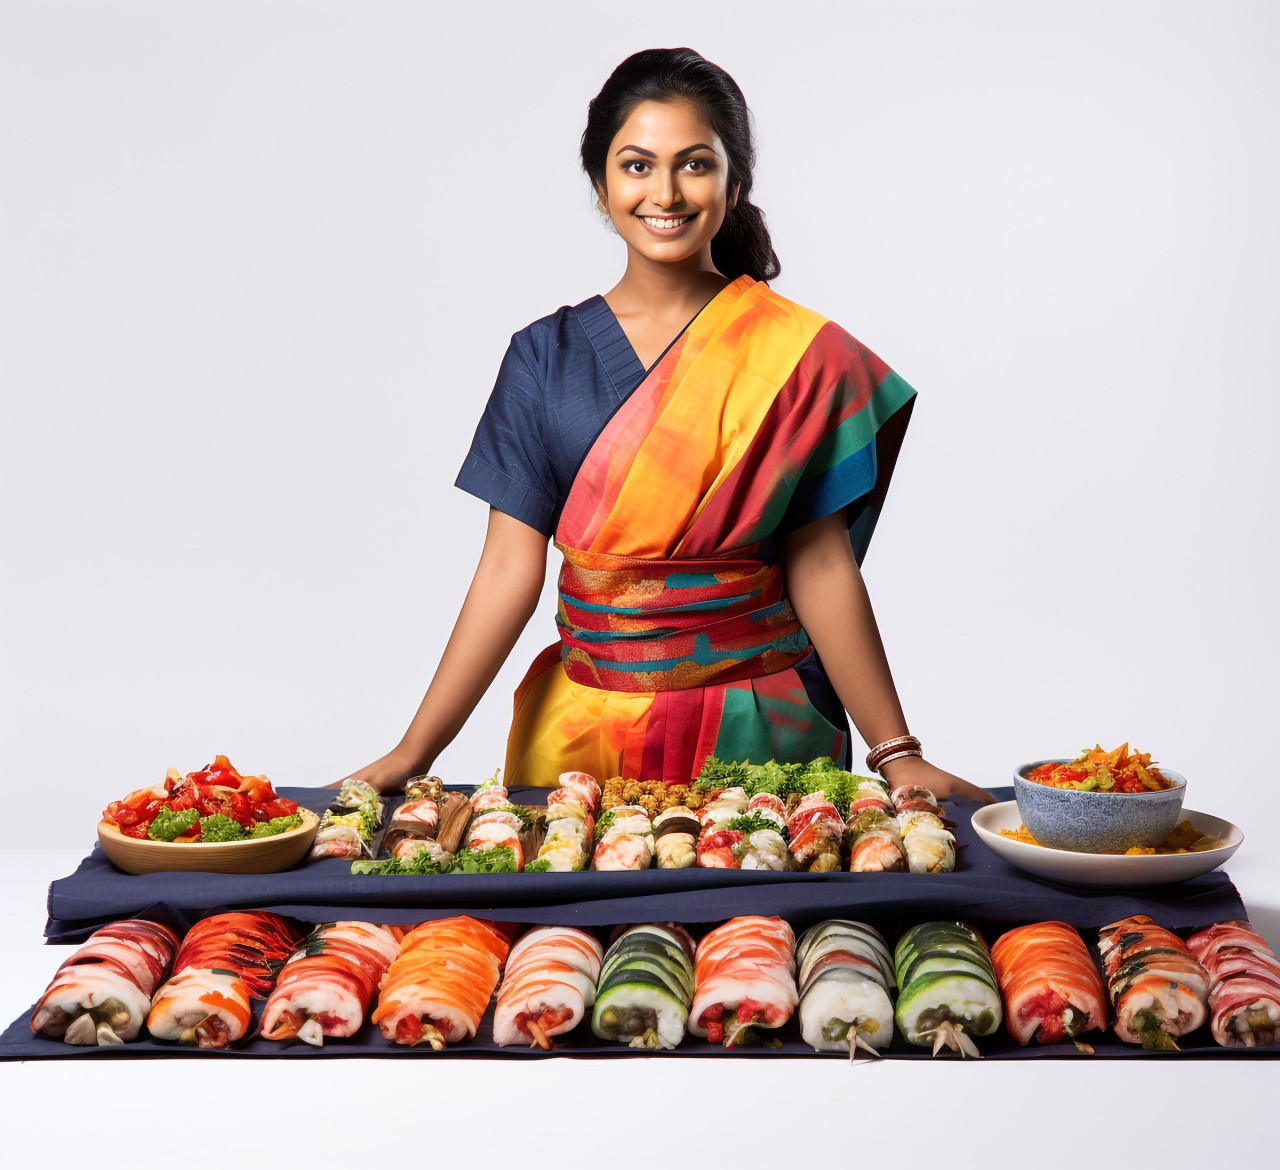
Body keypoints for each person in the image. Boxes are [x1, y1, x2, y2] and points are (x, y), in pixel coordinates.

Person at [342, 47, 992, 804]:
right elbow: (507, 570)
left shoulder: (800, 356)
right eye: (638, 165)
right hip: (583, 738)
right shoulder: (543, 356)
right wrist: (414, 750)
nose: (666, 192)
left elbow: (820, 565)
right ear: (601, 185)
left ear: (734, 183)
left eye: (695, 164)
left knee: (769, 883)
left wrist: (896, 753)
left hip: (764, 734)